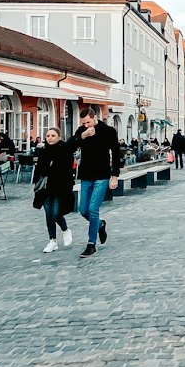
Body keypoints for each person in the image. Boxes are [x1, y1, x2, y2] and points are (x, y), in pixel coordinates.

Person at [72, 105, 120, 258]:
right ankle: (100, 224)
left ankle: (91, 244)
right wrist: (83, 136)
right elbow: (70, 146)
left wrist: (115, 175)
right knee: (83, 210)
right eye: (83, 123)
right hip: (86, 174)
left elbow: (116, 153)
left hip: (102, 174)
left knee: (93, 209)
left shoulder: (108, 131)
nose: (85, 125)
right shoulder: (81, 131)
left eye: (88, 122)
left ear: (94, 118)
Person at [33, 127, 76, 252]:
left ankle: (65, 229)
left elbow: (67, 170)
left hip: (59, 187)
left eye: (52, 135)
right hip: (45, 188)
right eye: (48, 136)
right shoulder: (43, 150)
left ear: (58, 137)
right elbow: (40, 168)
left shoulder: (65, 149)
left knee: (56, 213)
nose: (50, 138)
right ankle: (52, 240)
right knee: (48, 214)